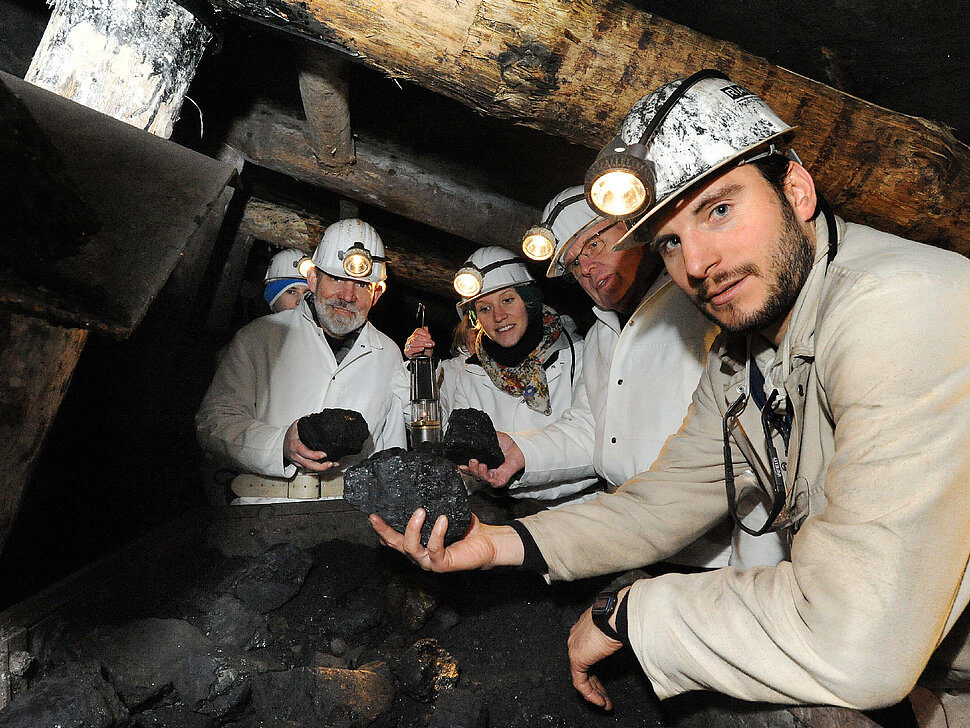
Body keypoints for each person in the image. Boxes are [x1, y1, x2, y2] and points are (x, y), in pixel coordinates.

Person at [371, 70, 970, 727]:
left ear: (795, 189)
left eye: (719, 209)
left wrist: (631, 612)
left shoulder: (900, 308)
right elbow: (665, 499)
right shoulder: (745, 351)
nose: (699, 261)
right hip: (939, 673)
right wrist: (499, 543)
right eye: (670, 240)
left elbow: (858, 641)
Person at [471, 185, 759, 567]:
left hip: (714, 549)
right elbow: (591, 428)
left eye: (594, 244)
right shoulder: (599, 337)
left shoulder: (700, 304)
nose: (586, 268)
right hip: (628, 537)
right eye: (574, 263)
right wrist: (521, 452)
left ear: (633, 229)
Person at [196, 218, 408, 503]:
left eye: (361, 285)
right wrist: (281, 443)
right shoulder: (260, 336)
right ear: (313, 279)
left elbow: (391, 454)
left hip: (348, 519)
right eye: (336, 278)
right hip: (261, 512)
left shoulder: (389, 355)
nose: (347, 295)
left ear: (377, 293)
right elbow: (212, 424)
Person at [405, 246, 599, 506]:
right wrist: (478, 474)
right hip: (505, 517)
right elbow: (468, 467)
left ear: (529, 301)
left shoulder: (582, 355)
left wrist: (520, 457)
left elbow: (595, 443)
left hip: (579, 512)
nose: (498, 316)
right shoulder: (471, 375)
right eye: (484, 308)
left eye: (508, 300)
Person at [263, 248, 310, 313]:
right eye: (291, 292)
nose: (300, 302)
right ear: (273, 297)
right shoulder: (258, 323)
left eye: (307, 294)